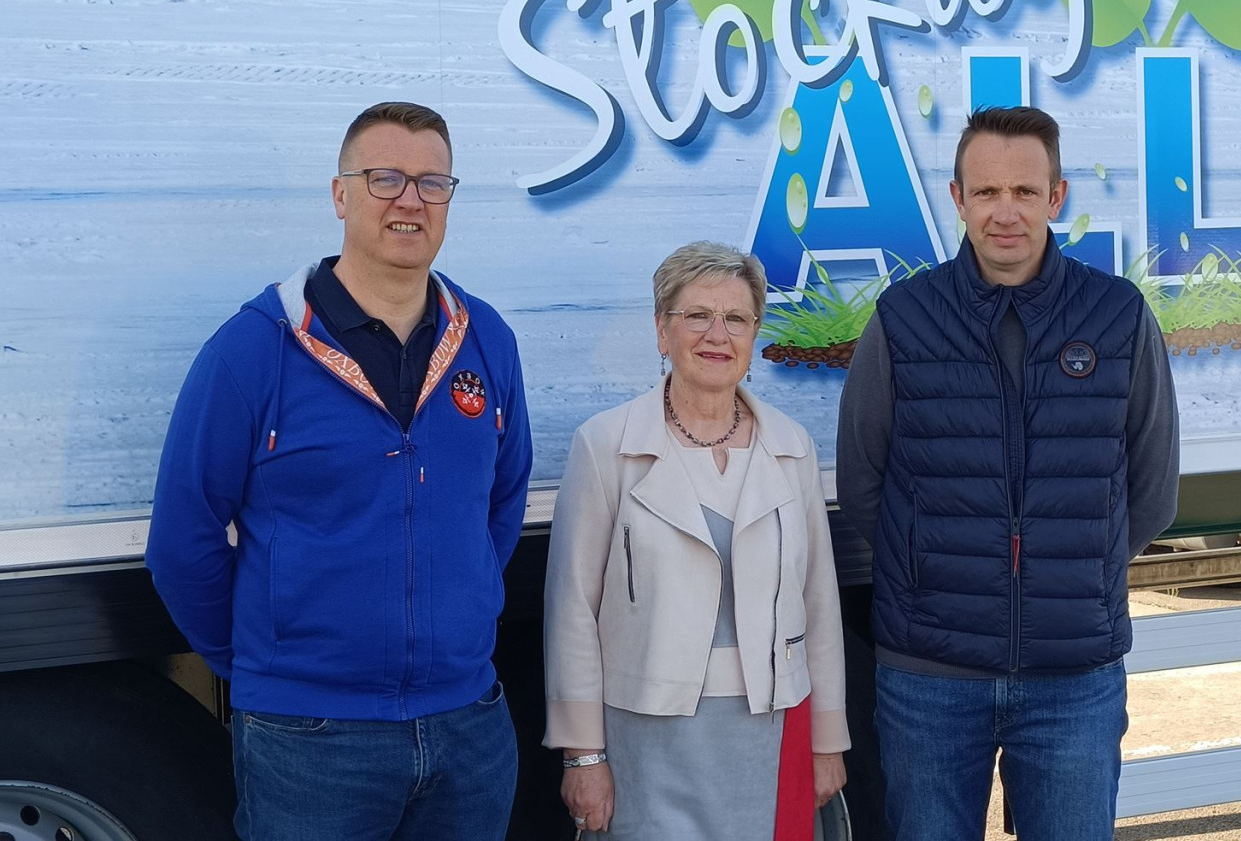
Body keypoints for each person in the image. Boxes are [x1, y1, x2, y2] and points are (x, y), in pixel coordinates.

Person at [146, 101, 533, 841]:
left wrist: (463, 610)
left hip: (468, 725)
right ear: (340, 195)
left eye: (432, 182)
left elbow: (500, 500)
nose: (409, 200)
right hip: (310, 738)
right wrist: (271, 665)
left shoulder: (486, 339)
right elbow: (182, 536)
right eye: (384, 178)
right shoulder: (254, 349)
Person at [837, 106, 1179, 841]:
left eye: (1023, 192)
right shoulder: (904, 318)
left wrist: (1074, 571)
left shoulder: (1117, 315)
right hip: (927, 674)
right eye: (985, 193)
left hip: (1073, 680)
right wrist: (925, 570)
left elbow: (1151, 485)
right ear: (956, 199)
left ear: (1056, 198)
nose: (1004, 213)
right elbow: (864, 478)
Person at [543, 241, 850, 840]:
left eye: (736, 318)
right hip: (648, 737)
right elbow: (572, 612)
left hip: (774, 730)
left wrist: (828, 742)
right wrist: (583, 756)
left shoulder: (793, 447)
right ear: (662, 330)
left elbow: (820, 607)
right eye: (696, 316)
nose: (718, 334)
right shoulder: (605, 445)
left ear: (755, 333)